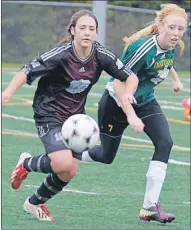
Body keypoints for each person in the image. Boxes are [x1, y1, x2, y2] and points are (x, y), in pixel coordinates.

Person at [2, 10, 144, 221]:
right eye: (82, 28)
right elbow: (26, 70)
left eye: (92, 29)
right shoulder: (61, 54)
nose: (87, 32)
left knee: (69, 172)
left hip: (76, 118)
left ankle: (34, 203)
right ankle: (26, 164)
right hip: (48, 112)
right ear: (73, 30)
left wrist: (127, 96)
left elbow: (130, 77)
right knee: (61, 163)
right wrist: (8, 92)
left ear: (96, 33)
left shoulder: (101, 55)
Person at [81, 3, 188, 223]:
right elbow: (120, 83)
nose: (176, 33)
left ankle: (149, 208)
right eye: (172, 28)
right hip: (116, 102)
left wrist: (175, 79)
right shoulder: (142, 48)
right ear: (160, 26)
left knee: (165, 142)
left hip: (145, 101)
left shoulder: (171, 44)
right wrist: (131, 116)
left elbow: (165, 62)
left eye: (181, 28)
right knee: (105, 156)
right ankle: (63, 155)